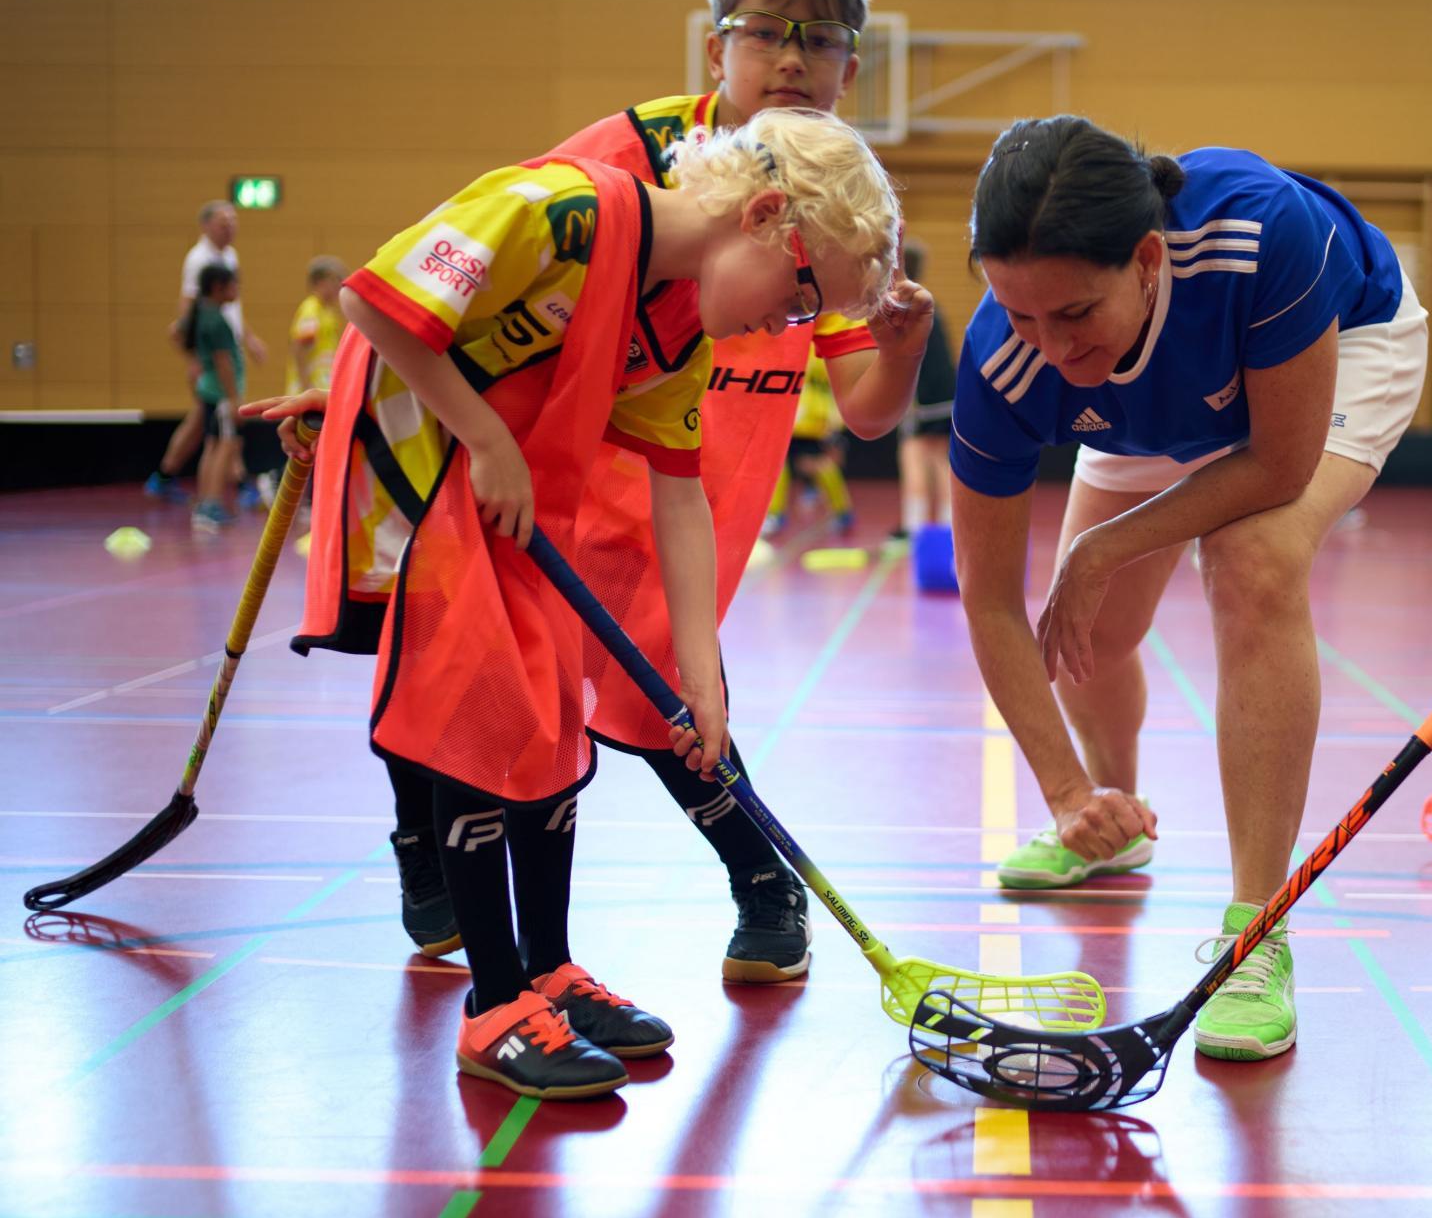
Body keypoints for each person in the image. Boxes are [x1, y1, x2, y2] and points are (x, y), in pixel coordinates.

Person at [307, 0, 933, 980]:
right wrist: (436, 409)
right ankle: (464, 904)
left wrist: (902, 351)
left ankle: (564, 959)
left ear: (852, 67)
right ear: (715, 48)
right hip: (531, 455)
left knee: (645, 691)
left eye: (818, 40)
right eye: (768, 32)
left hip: (676, 466)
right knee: (460, 666)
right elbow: (437, 291)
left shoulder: (825, 223)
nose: (791, 58)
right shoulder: (615, 175)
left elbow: (862, 411)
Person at [253, 109, 906, 1099]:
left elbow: (676, 491)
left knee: (557, 711)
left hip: (512, 488)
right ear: (766, 216)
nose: (789, 330)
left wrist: (698, 674)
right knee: (478, 711)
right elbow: (377, 301)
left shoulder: (682, 327)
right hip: (428, 477)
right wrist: (483, 437)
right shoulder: (555, 210)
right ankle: (495, 1007)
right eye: (800, 298)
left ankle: (547, 971)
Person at [949, 115, 1428, 1063]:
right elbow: (991, 600)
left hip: (1337, 351)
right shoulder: (1016, 360)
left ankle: (1256, 932)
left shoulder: (1259, 233)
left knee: (1250, 559)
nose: (1044, 346)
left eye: (1073, 313)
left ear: (1147, 258)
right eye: (1018, 314)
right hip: (1151, 394)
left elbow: (1279, 464)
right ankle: (1114, 824)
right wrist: (1066, 791)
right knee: (1089, 628)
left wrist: (1099, 548)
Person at [149, 201, 263, 500]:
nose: (230, 227)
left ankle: (170, 477)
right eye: (223, 221)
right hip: (214, 357)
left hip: (225, 349)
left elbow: (234, 309)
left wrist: (249, 338)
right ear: (205, 225)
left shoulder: (229, 255)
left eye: (233, 221)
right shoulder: (199, 260)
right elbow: (186, 310)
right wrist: (195, 356)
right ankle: (221, 488)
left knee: (211, 423)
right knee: (219, 422)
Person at [892, 238, 958, 540]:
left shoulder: (906, 307)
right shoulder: (931, 303)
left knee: (913, 453)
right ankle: (947, 527)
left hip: (926, 399)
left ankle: (914, 528)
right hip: (948, 394)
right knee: (938, 457)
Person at [765, 353, 855, 536]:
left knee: (818, 465)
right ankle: (775, 515)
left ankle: (843, 513)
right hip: (798, 419)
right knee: (780, 465)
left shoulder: (816, 351)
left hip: (810, 420)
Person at [185, 263, 245, 534]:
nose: (237, 290)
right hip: (220, 394)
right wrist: (233, 398)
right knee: (225, 445)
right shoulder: (217, 320)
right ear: (218, 287)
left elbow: (176, 333)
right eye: (234, 285)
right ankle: (211, 504)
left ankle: (204, 503)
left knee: (211, 445)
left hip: (208, 391)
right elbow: (224, 362)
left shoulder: (203, 314)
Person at [288, 256, 347, 395]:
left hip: (322, 385)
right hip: (310, 389)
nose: (339, 286)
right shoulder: (311, 311)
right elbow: (300, 350)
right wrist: (306, 387)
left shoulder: (327, 311)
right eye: (334, 280)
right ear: (320, 282)